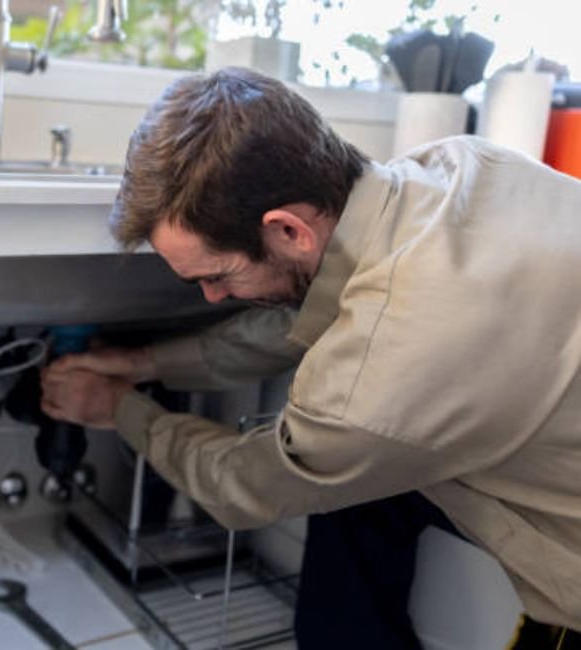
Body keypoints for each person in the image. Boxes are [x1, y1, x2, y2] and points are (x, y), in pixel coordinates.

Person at [39, 67, 581, 649]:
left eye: (218, 276)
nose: (212, 298)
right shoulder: (459, 166)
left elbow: (240, 483)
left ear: (289, 231)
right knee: (358, 496)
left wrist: (120, 409)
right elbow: (336, 319)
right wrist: (145, 362)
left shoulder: (378, 382)